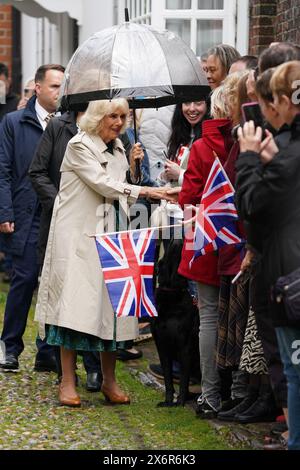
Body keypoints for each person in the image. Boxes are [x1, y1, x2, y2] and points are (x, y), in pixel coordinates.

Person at [34, 98, 174, 407]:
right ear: (98, 116)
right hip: (78, 239)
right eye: (114, 115)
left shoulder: (121, 146)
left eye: (124, 116)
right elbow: (102, 184)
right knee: (72, 312)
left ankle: (110, 381)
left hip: (111, 234)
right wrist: (147, 190)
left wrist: (136, 172)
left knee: (113, 311)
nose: (120, 122)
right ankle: (67, 383)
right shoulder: (78, 145)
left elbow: (121, 186)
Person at [235, 61, 300, 450]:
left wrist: (248, 158)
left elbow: (252, 205)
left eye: (267, 102)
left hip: (290, 277)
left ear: (280, 102)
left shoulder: (290, 154)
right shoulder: (288, 150)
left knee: (295, 371)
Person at [28, 104, 104, 392]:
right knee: (67, 295)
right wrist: (61, 202)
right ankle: (66, 372)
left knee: (93, 295)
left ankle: (94, 366)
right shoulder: (59, 126)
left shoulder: (110, 128)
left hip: (97, 223)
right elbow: (37, 171)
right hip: (64, 224)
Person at [0, 64, 65, 373]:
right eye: (54, 86)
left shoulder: (67, 125)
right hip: (24, 214)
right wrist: (5, 212)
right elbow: (3, 170)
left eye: (62, 86)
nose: (59, 92)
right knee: (23, 280)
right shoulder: (14, 122)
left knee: (52, 283)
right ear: (37, 87)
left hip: (57, 214)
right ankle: (9, 347)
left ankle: (47, 350)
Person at [177, 86, 234, 418]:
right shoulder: (246, 142)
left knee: (209, 317)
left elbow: (189, 199)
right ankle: (239, 391)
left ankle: (211, 395)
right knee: (242, 316)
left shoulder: (202, 146)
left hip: (208, 242)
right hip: (240, 240)